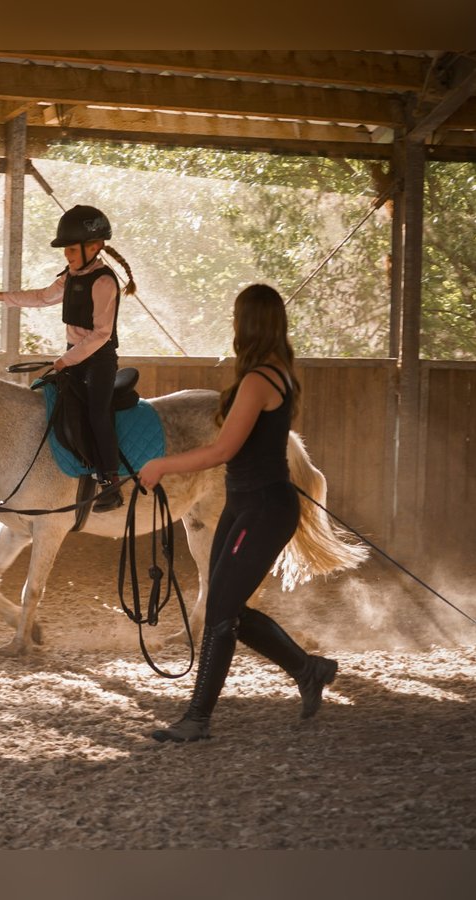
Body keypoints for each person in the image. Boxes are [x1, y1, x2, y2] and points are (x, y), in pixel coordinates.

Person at [137, 283, 337, 742]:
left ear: (247, 323)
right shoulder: (276, 372)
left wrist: (161, 465)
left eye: (236, 317)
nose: (232, 324)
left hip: (263, 507)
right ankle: (309, 669)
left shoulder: (259, 380)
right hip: (248, 502)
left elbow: (221, 450)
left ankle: (197, 719)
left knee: (224, 613)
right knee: (230, 611)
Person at [0, 205, 137, 512]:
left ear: (94, 247)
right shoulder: (71, 276)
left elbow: (101, 334)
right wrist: (5, 298)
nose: (67, 255)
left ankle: (110, 482)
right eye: (65, 250)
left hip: (98, 359)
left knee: (97, 413)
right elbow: (42, 297)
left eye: (71, 249)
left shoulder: (105, 282)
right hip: (75, 357)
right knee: (47, 396)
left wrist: (66, 360)